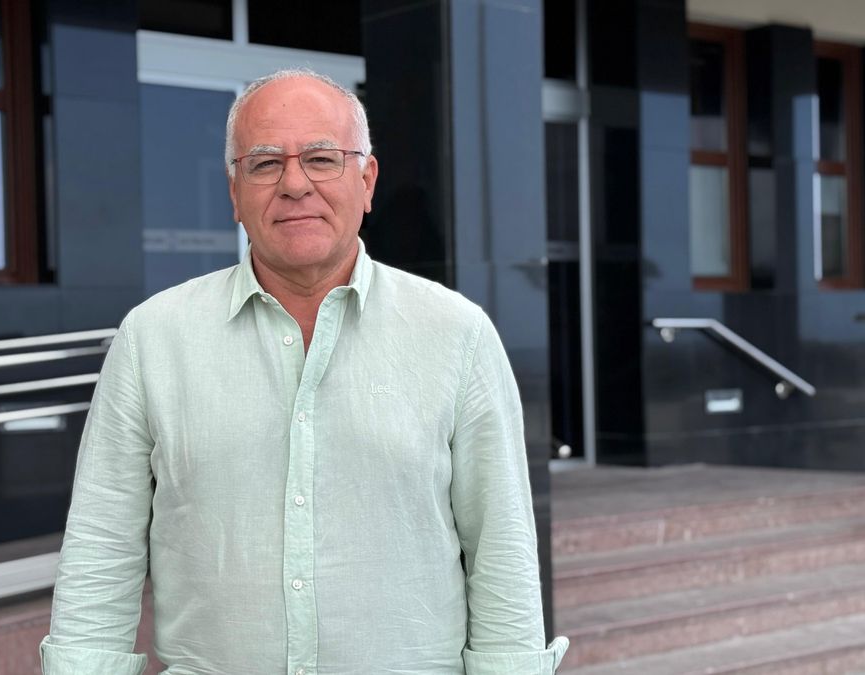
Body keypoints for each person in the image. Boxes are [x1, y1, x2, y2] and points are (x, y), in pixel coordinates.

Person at [40, 67, 569, 674]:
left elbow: (499, 547)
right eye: (264, 163)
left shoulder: (457, 335)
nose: (294, 184)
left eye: (322, 158)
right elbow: (101, 548)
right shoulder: (152, 339)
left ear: (366, 181)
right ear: (235, 191)